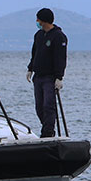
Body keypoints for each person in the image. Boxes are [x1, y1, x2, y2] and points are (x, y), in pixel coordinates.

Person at [26, 8, 67, 138]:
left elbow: (61, 58)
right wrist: (30, 68)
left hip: (50, 77)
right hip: (38, 76)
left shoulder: (58, 36)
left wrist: (59, 77)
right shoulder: (38, 35)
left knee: (48, 105)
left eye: (38, 19)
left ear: (44, 20)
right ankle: (46, 128)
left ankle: (48, 133)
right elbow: (35, 53)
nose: (37, 22)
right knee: (39, 107)